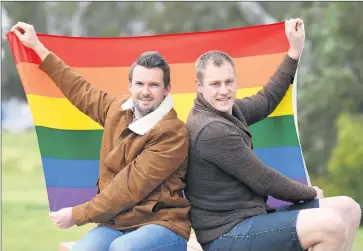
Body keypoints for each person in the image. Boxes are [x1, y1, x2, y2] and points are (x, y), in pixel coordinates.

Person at [11, 22, 191, 251]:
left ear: (167, 89)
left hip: (162, 224)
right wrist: (37, 47)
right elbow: (80, 90)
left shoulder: (173, 133)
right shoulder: (117, 109)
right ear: (130, 85)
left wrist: (76, 215)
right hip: (118, 222)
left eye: (154, 85)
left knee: (122, 249)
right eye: (139, 84)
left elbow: (127, 189)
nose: (145, 91)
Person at [185, 18, 361, 251]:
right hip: (228, 235)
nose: (224, 90)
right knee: (330, 226)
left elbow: (267, 99)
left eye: (229, 81)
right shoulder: (210, 130)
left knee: (348, 209)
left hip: (254, 218)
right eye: (215, 84)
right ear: (199, 85)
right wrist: (309, 192)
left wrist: (294, 52)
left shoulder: (230, 111)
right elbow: (263, 179)